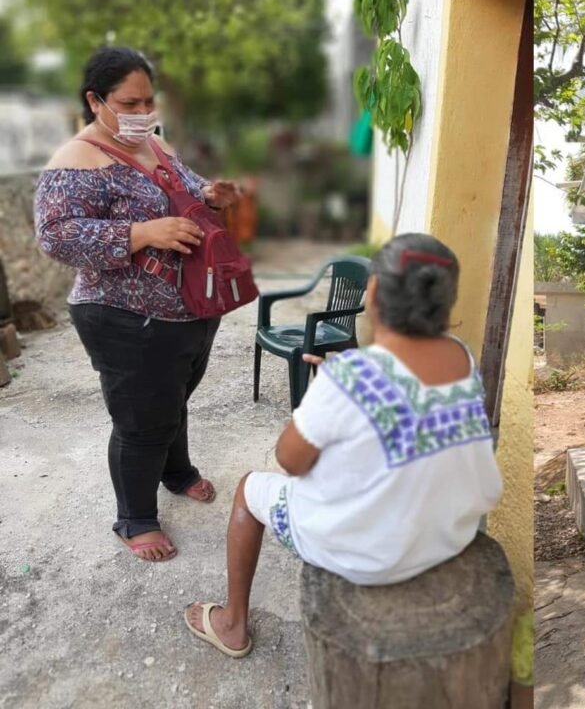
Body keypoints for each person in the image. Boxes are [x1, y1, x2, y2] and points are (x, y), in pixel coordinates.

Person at [183, 233, 503, 657]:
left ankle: (232, 623)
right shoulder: (461, 356)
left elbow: (289, 460)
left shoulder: (352, 376)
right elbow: (409, 404)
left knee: (248, 489)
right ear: (447, 300)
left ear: (372, 293)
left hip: (366, 558)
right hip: (448, 537)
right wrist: (339, 387)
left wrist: (324, 396)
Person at [34, 46, 241, 562]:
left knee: (170, 403)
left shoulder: (154, 146)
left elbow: (191, 192)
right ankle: (135, 518)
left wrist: (215, 196)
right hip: (124, 315)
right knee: (141, 420)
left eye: (149, 100)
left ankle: (177, 473)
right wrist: (142, 232)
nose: (143, 112)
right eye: (130, 102)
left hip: (187, 308)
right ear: (96, 101)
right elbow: (56, 236)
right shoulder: (76, 161)